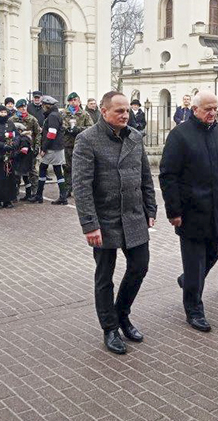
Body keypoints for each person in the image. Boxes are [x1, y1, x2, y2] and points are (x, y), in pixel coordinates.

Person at [72, 91, 157, 355]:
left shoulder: (134, 136)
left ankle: (122, 314)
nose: (125, 115)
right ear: (105, 112)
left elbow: (145, 175)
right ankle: (110, 328)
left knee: (139, 266)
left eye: (127, 111)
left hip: (133, 215)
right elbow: (81, 185)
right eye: (119, 111)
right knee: (104, 276)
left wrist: (150, 208)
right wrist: (90, 224)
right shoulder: (87, 140)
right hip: (105, 218)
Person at [159, 91, 218, 332]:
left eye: (215, 108)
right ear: (194, 110)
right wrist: (174, 211)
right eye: (207, 109)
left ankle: (188, 282)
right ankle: (194, 310)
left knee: (213, 253)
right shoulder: (180, 135)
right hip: (191, 211)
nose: (213, 113)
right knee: (195, 263)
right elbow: (168, 175)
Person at [37, 95, 68, 205]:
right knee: (57, 170)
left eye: (43, 106)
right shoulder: (55, 114)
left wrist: (44, 148)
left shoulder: (52, 116)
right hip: (57, 147)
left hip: (52, 148)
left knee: (43, 168)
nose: (42, 108)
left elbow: (51, 133)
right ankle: (62, 196)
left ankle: (39, 195)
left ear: (47, 105)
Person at [62, 92, 94, 194]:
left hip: (80, 145)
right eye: (71, 100)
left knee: (80, 168)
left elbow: (91, 128)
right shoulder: (63, 113)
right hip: (67, 144)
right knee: (67, 167)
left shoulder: (84, 114)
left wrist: (78, 129)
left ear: (79, 101)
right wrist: (67, 129)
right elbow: (59, 126)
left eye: (75, 100)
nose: (73, 102)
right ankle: (67, 188)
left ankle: (79, 189)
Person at [10, 99, 41, 201]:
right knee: (16, 172)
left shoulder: (32, 119)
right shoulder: (12, 120)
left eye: (24, 107)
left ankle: (34, 193)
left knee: (32, 171)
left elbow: (37, 135)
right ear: (17, 108)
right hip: (16, 149)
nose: (23, 109)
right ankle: (14, 193)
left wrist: (36, 147)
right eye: (20, 107)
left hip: (29, 150)